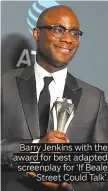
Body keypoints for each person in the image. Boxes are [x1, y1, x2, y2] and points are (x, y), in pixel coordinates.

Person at [1, 5, 108, 191]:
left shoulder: (94, 99)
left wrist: (70, 186)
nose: (68, 39)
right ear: (36, 33)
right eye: (58, 30)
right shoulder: (4, 85)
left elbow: (101, 169)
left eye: (74, 33)